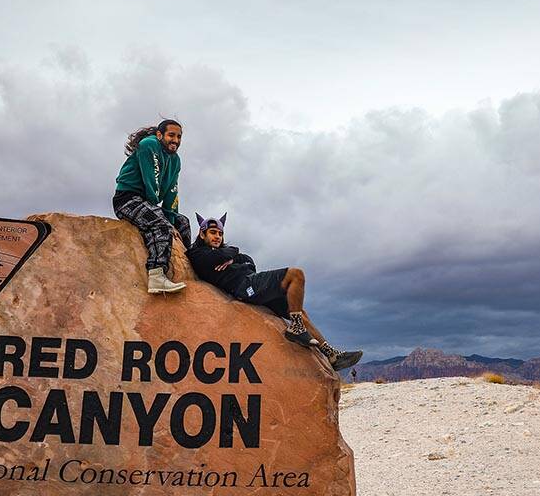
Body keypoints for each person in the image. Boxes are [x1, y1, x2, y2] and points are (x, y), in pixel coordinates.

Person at [187, 213, 363, 372]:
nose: (218, 236)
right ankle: (295, 328)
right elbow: (230, 253)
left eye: (220, 233)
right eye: (213, 233)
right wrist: (230, 254)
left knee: (300, 312)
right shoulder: (197, 253)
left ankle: (330, 354)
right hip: (244, 287)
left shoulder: (221, 252)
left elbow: (248, 260)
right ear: (202, 234)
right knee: (296, 275)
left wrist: (231, 257)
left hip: (252, 283)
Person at [114, 119, 193, 294]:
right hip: (127, 199)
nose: (176, 140)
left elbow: (172, 191)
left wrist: (172, 219)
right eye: (171, 135)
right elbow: (152, 183)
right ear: (159, 135)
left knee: (183, 222)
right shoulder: (149, 145)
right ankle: (157, 276)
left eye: (179, 137)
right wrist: (165, 221)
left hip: (148, 203)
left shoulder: (176, 160)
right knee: (161, 225)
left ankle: (191, 268)